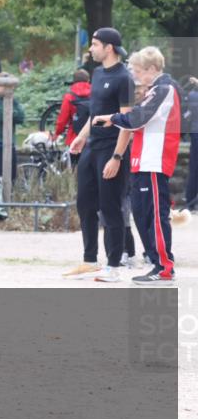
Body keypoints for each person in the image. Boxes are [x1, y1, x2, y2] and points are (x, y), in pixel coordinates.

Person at [94, 46, 181, 285]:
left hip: (154, 161)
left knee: (154, 217)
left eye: (139, 71)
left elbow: (136, 119)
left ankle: (164, 266)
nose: (135, 76)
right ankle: (157, 263)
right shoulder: (156, 89)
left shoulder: (164, 88)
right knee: (143, 216)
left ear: (153, 69)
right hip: (143, 161)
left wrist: (111, 118)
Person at [63, 28, 134, 282]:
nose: (90, 48)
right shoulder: (98, 73)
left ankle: (113, 266)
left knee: (110, 208)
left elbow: (128, 121)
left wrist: (117, 157)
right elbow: (95, 112)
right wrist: (82, 136)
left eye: (94, 44)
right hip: (92, 147)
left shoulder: (124, 78)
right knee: (85, 203)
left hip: (112, 148)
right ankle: (89, 260)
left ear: (109, 47)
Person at [53, 69, 92, 169]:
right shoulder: (95, 94)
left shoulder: (69, 96)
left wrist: (57, 133)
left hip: (74, 139)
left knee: (75, 170)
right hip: (93, 138)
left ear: (74, 81)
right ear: (88, 80)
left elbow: (62, 119)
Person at [184, 77, 198, 211]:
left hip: (195, 135)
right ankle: (191, 201)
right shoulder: (193, 95)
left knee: (194, 169)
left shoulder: (192, 95)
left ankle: (190, 202)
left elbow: (186, 116)